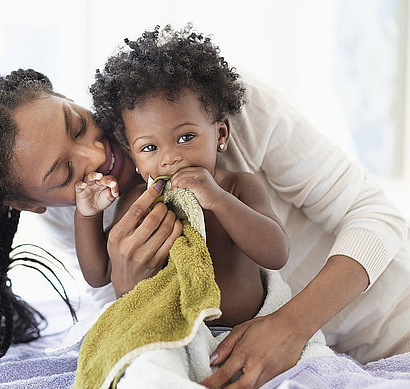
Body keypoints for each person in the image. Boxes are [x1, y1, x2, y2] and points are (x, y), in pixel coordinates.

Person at [0, 26, 410, 389]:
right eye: (62, 174)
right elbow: (131, 308)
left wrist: (289, 325)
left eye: (78, 124)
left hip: (404, 314)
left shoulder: (199, 106)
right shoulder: (79, 211)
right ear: (29, 203)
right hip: (253, 354)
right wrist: (124, 284)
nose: (98, 156)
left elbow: (377, 217)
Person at [73, 27, 289, 328]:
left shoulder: (238, 186)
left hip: (242, 332)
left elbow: (276, 254)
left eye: (186, 137)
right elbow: (99, 274)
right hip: (170, 334)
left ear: (220, 134)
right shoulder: (139, 199)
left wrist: (218, 200)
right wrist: (87, 215)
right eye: (149, 147)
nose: (170, 157)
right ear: (133, 155)